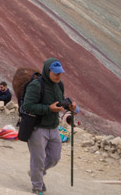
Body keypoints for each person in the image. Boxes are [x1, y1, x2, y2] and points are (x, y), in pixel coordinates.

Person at [22, 58, 77, 195]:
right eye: (56, 73)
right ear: (47, 71)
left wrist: (69, 106)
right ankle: (37, 187)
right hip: (37, 128)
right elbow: (27, 106)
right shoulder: (36, 86)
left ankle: (36, 173)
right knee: (38, 160)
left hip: (53, 127)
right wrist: (48, 109)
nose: (59, 76)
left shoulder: (59, 85)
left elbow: (58, 102)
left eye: (60, 73)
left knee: (54, 158)